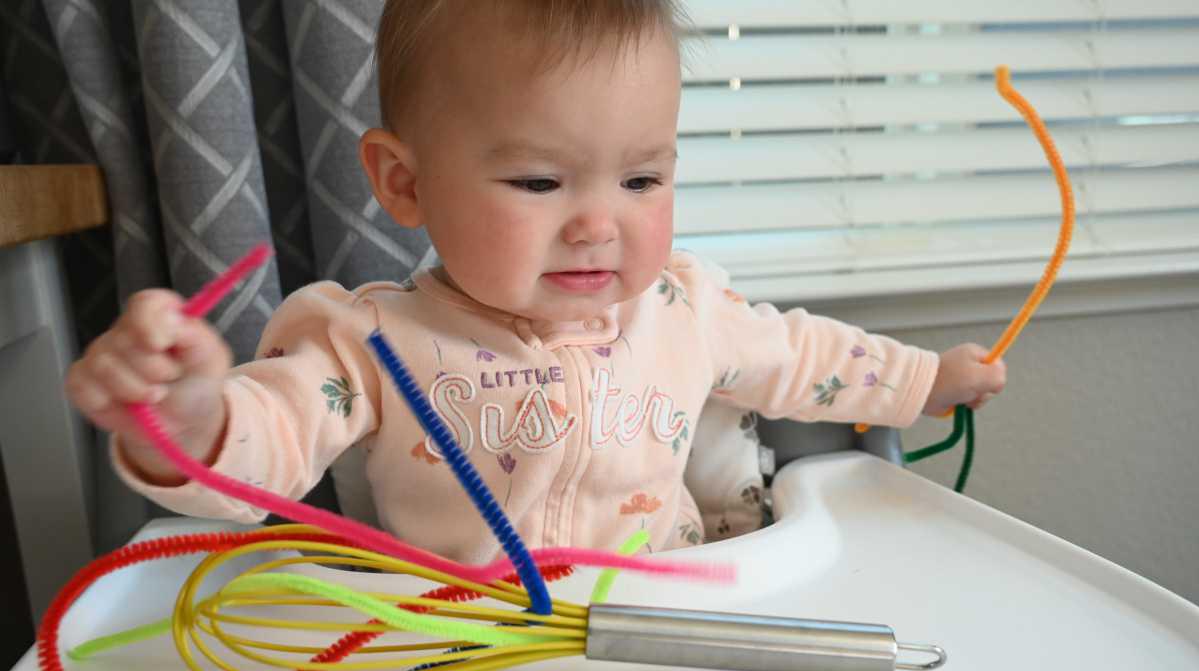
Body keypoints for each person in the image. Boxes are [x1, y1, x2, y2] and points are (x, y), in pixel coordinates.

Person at [64, 0, 1006, 563]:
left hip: (677, 640)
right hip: (464, 664)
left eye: (642, 180)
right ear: (404, 181)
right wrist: (192, 422)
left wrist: (926, 381)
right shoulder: (371, 345)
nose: (600, 223)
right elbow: (274, 433)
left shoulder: (682, 312)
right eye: (538, 182)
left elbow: (808, 358)